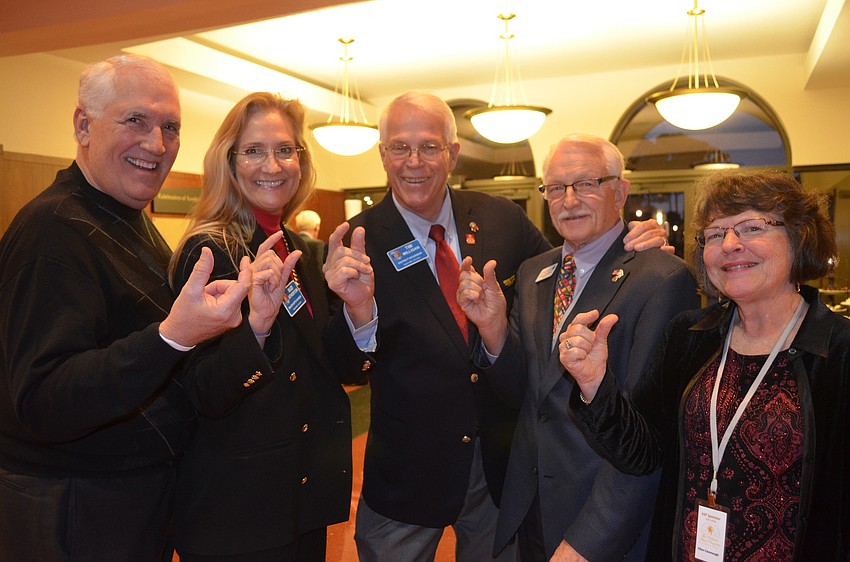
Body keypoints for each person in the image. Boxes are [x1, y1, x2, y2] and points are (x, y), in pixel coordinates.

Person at [322, 95, 669, 562]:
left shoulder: (500, 217)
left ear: (453, 153)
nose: (414, 162)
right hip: (406, 475)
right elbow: (345, 368)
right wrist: (359, 310)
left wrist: (630, 242)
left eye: (429, 146)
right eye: (400, 147)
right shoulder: (355, 240)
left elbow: (570, 270)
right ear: (383, 154)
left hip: (499, 472)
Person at [0, 54, 251, 561]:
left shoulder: (124, 215)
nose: (156, 144)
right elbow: (45, 401)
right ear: (83, 127)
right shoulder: (53, 229)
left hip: (130, 500)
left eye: (170, 127)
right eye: (135, 119)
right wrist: (172, 335)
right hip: (76, 506)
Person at [565, 171, 850, 561]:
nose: (730, 245)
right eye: (715, 234)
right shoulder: (689, 336)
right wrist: (595, 383)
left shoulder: (838, 351)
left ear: (800, 238)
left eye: (752, 227)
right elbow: (642, 454)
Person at [457, 133, 699, 562]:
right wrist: (493, 329)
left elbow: (649, 435)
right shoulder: (534, 271)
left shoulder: (661, 278)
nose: (568, 200)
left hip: (603, 520)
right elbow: (525, 393)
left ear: (619, 191)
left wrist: (590, 539)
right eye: (555, 187)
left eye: (586, 183)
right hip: (530, 507)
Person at [168, 92, 355, 561]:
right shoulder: (212, 251)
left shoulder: (291, 245)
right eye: (253, 150)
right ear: (229, 162)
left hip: (295, 493)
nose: (272, 165)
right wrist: (257, 327)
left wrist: (358, 307)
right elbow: (202, 392)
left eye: (284, 149)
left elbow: (319, 364)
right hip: (240, 511)